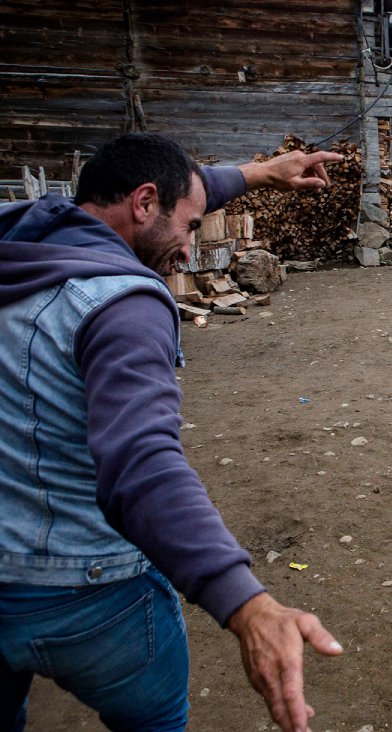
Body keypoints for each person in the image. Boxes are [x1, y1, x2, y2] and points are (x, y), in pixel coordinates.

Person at [0, 133, 344, 732]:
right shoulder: (123, 306)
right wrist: (247, 606)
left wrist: (262, 173)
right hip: (96, 594)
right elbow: (142, 463)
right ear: (142, 203)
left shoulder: (20, 242)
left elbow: (189, 189)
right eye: (188, 227)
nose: (188, 250)